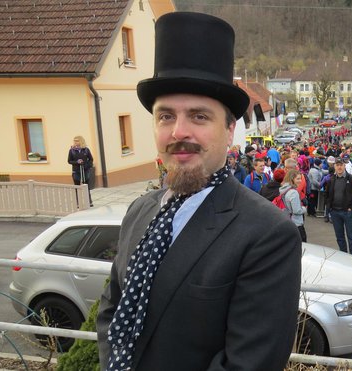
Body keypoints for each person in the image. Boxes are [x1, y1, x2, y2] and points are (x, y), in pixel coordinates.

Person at [96, 12, 301, 371]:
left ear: (228, 130)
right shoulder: (139, 211)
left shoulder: (267, 234)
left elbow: (250, 364)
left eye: (199, 116)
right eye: (166, 116)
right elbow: (111, 314)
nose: (179, 132)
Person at [325, 157, 352, 256]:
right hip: (335, 213)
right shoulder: (331, 179)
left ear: (344, 166)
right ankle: (344, 257)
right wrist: (329, 207)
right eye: (337, 165)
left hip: (348, 212)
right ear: (334, 167)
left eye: (341, 165)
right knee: (340, 237)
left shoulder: (351, 179)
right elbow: (327, 194)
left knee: (351, 237)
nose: (339, 167)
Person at [280, 169, 307, 242]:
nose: (300, 181)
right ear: (292, 179)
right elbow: (297, 210)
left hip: (287, 221)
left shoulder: (284, 189)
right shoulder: (293, 192)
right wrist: (304, 208)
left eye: (300, 179)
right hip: (296, 224)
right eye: (298, 179)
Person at [67, 135, 94, 206]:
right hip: (76, 172)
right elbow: (69, 161)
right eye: (74, 141)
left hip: (85, 170)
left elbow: (91, 159)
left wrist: (87, 165)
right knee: (77, 187)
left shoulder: (86, 150)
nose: (75, 142)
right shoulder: (72, 151)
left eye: (77, 141)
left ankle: (89, 202)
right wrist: (77, 162)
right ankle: (78, 203)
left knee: (86, 186)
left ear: (81, 141)